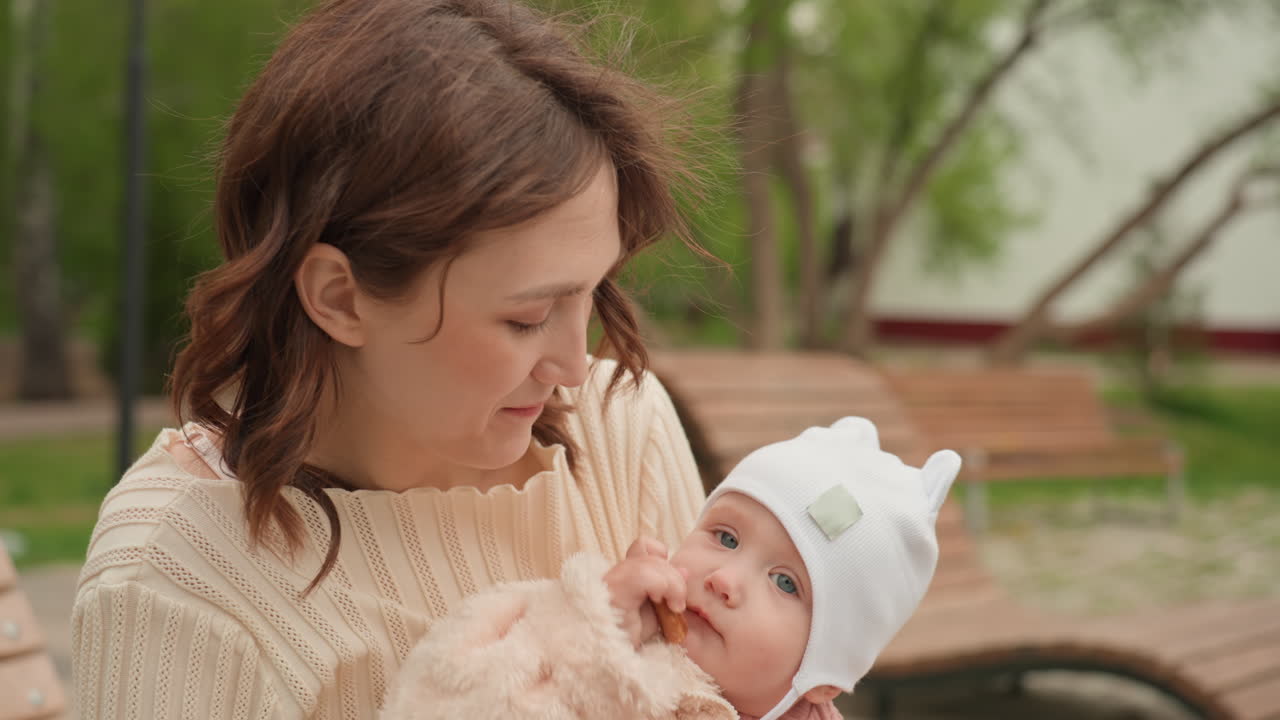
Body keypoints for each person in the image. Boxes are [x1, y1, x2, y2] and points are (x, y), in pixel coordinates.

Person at [71, 1, 713, 717]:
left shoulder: (623, 430)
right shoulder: (180, 576)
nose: (572, 364)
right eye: (527, 317)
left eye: (592, 292)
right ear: (340, 297)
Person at [380, 417, 961, 720]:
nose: (725, 580)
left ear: (825, 676)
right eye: (725, 536)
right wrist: (594, 635)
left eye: (786, 582)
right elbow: (449, 705)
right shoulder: (614, 643)